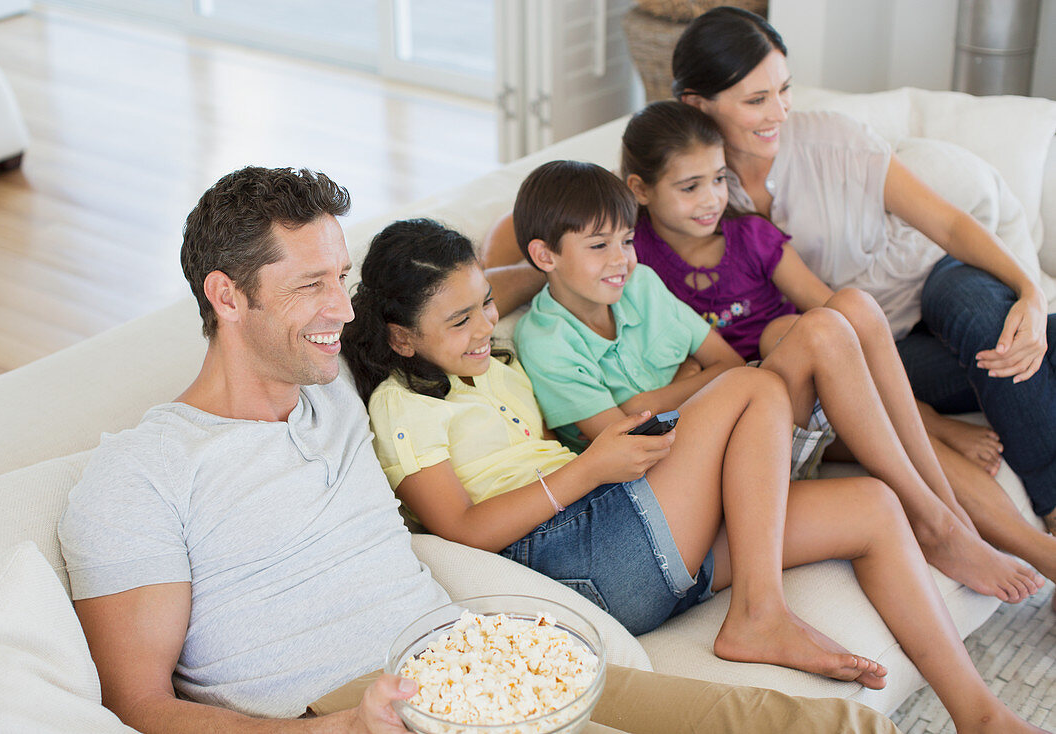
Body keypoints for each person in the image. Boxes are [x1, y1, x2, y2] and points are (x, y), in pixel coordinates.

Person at [56, 165, 900, 734]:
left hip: (483, 646)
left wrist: (551, 236)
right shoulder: (140, 473)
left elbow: (476, 286)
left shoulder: (339, 386)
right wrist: (341, 729)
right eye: (309, 285)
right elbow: (139, 704)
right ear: (224, 295)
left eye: (341, 280)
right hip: (349, 705)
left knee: (792, 722)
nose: (339, 310)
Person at [344, 214, 1048, 734]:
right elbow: (460, 529)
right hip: (574, 557)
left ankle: (979, 714)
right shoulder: (400, 406)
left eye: (485, 307)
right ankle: (759, 614)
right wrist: (590, 470)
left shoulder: (492, 362)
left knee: (869, 504)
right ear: (402, 337)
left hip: (621, 521)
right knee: (754, 388)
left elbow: (521, 268)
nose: (481, 326)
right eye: (459, 319)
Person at [618, 98, 1056, 587]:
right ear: (640, 189)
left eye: (720, 179)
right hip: (757, 415)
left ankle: (1015, 542)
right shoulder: (631, 257)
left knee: (842, 311)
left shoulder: (751, 237)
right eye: (689, 186)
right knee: (783, 334)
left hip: (817, 388)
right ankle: (939, 500)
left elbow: (836, 314)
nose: (711, 199)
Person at [668, 6, 1056, 536]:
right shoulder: (689, 186)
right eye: (756, 100)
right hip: (879, 349)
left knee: (989, 323)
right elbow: (561, 222)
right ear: (697, 105)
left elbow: (947, 224)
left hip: (932, 284)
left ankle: (1054, 509)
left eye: (784, 89)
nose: (779, 112)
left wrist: (1030, 292)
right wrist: (518, 274)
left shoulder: (834, 138)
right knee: (1004, 353)